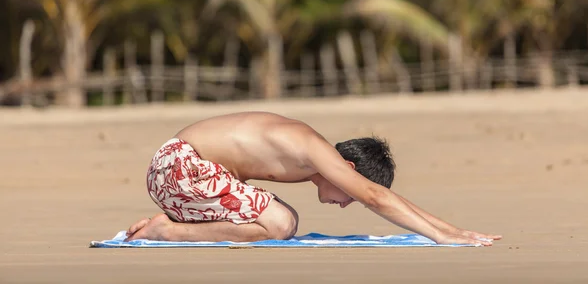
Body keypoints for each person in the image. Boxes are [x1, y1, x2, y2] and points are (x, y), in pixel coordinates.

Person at [125, 112, 501, 246]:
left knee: (275, 218)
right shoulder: (316, 150)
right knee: (280, 222)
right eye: (350, 194)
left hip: (176, 170)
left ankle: (174, 221)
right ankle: (165, 231)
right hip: (180, 167)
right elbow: (376, 197)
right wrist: (440, 238)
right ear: (349, 170)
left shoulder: (315, 154)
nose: (347, 202)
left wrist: (451, 229)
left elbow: (381, 195)